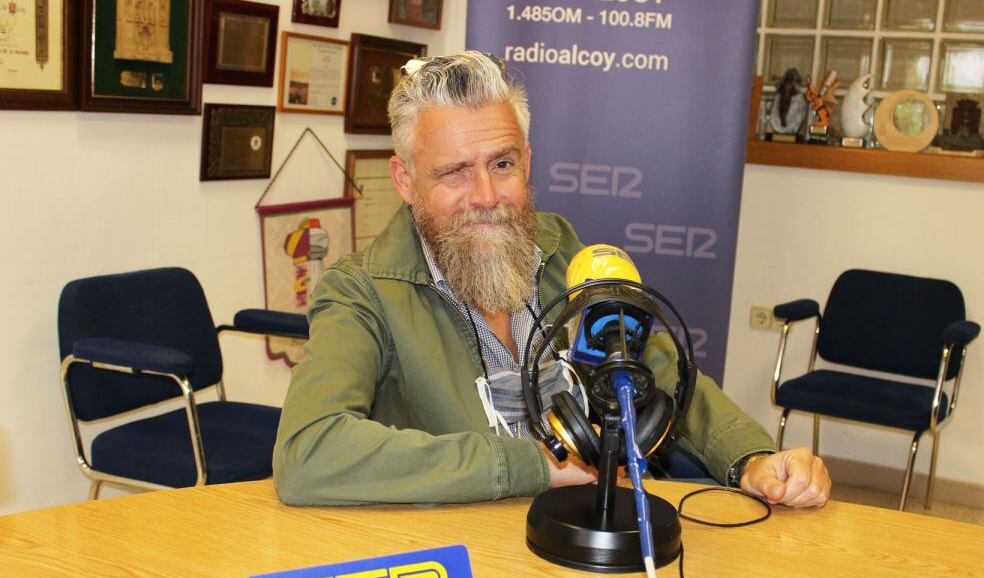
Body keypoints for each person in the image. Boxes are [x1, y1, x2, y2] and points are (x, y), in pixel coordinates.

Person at [273, 51, 831, 509]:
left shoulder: (560, 246)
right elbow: (308, 452)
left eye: (502, 164)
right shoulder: (360, 291)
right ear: (405, 179)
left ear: (528, 160)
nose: (486, 197)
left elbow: (658, 370)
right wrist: (536, 466)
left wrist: (752, 458)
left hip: (588, 539)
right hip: (462, 560)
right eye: (454, 172)